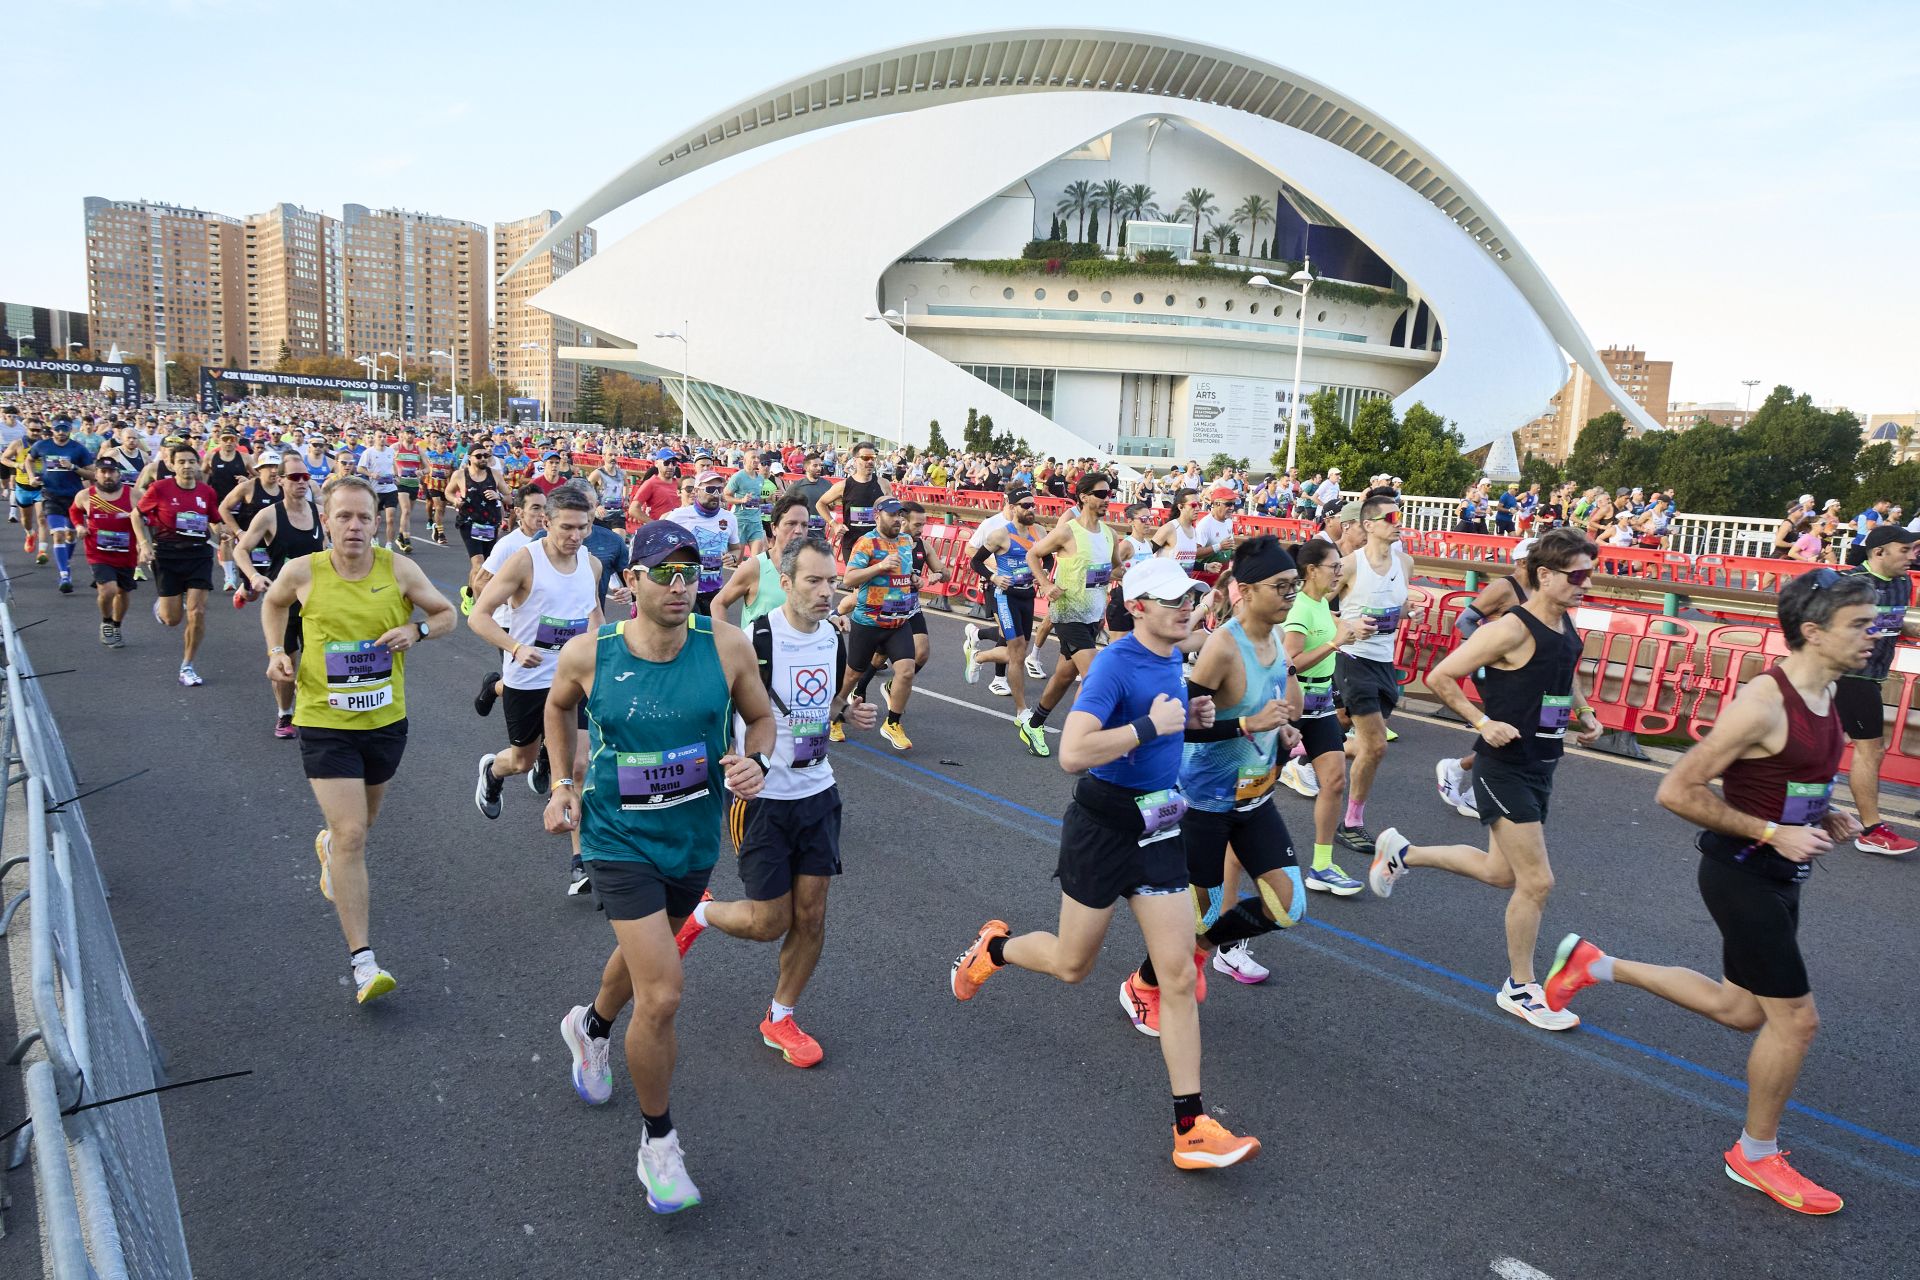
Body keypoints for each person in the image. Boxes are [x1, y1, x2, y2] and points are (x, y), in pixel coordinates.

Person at [1542, 569, 1876, 1216]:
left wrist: (1821, 817)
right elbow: (1676, 791)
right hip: (1741, 876)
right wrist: (1771, 831)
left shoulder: (1826, 690)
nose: (1874, 636)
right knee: (1796, 1021)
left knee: (1741, 1010)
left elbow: (1785, 777)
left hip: (1780, 874)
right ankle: (1755, 1153)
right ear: (1812, 631)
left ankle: (1593, 963)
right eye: (1859, 624)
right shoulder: (1763, 703)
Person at [949, 557, 1262, 1171]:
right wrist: (1152, 725)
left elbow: (1163, 731)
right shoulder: (1116, 664)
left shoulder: (1176, 657)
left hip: (1158, 828)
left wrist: (1195, 727)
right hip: (1102, 827)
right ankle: (994, 949)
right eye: (1171, 600)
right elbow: (1072, 752)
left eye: (1190, 597)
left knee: (1176, 978)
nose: (1185, 607)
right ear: (1138, 606)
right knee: (1072, 964)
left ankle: (1191, 1126)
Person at [543, 520, 776, 1214]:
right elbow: (557, 709)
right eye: (665, 573)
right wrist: (561, 784)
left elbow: (761, 720)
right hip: (617, 836)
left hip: (693, 836)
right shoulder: (591, 654)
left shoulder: (725, 646)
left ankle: (589, 1028)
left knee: (644, 960)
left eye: (691, 572)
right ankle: (659, 1145)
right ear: (631, 583)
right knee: (665, 993)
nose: (681, 586)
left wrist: (754, 759)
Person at [1365, 528, 1604, 1031]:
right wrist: (1481, 722)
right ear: (1545, 575)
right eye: (1578, 575)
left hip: (1543, 761)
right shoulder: (1511, 629)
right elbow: (1440, 677)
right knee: (1537, 882)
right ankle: (1520, 987)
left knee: (1501, 873)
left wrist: (1584, 712)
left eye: (1590, 573)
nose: (1587, 583)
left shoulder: (1566, 624)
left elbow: (1567, 671)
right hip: (1506, 765)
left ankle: (1403, 854)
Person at [672, 534, 877, 1067]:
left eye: (831, 580)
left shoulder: (835, 637)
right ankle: (703, 913)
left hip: (818, 792)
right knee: (769, 922)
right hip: (763, 798)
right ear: (784, 583)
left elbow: (818, 705)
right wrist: (730, 764)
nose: (826, 591)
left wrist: (844, 715)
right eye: (813, 581)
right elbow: (713, 712)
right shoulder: (752, 639)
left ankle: (780, 1018)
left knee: (811, 919)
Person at [259, 474, 455, 1004]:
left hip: (386, 720)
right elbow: (273, 603)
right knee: (352, 836)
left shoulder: (400, 569)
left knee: (360, 826)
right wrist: (276, 651)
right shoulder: (303, 571)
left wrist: (417, 632)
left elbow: (447, 614)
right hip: (324, 721)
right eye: (343, 516)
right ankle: (364, 963)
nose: (353, 526)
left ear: (377, 521)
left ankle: (329, 845)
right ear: (327, 521)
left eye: (363, 517)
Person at [1132, 536, 1304, 996]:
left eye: (1295, 584)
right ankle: (1145, 985)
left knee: (1289, 907)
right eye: (1281, 586)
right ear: (1245, 590)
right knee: (1194, 912)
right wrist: (1249, 724)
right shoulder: (1223, 647)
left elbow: (1263, 711)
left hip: (1255, 798)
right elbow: (1181, 727)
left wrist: (1279, 732)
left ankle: (1199, 951)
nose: (1291, 594)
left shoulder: (1275, 639)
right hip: (1204, 802)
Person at [470, 483, 603, 851]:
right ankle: (492, 771)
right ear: (546, 522)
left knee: (580, 766)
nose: (576, 536)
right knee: (522, 761)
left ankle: (581, 860)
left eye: (583, 527)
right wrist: (514, 646)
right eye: (567, 528)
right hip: (528, 679)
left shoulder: (591, 564)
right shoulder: (525, 561)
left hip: (573, 679)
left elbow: (593, 615)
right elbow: (478, 617)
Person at [1277, 539, 1371, 894]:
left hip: (1321, 707)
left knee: (1333, 781)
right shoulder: (1299, 609)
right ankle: (1229, 846)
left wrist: (1352, 629)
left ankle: (1321, 865)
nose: (1339, 573)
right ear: (1311, 570)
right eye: (1334, 567)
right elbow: (1291, 662)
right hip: (1291, 704)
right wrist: (1335, 643)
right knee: (1256, 789)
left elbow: (1335, 626)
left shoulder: (1319, 605)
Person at [1330, 488, 1411, 852]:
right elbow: (1308, 608)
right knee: (1376, 746)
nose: (1398, 524)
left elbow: (1398, 603)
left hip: (1384, 661)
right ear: (1368, 525)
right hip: (1352, 659)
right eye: (1390, 518)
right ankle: (1351, 823)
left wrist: (1410, 612)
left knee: (1360, 742)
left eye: (1399, 516)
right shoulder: (1349, 566)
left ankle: (1302, 748)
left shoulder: (1404, 563)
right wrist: (1345, 628)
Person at [1434, 539, 1537, 818]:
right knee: (1506, 730)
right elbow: (1465, 620)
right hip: (1493, 667)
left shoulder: (1539, 588)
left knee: (1513, 732)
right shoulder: (1504, 587)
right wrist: (1479, 651)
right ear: (1522, 562)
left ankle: (1458, 770)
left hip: (1522, 668)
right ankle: (1473, 793)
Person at [1021, 474, 1121, 757]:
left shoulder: (1109, 534)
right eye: (1101, 494)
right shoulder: (1067, 531)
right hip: (1068, 613)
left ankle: (1034, 723)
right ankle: (1087, 745)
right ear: (1084, 497)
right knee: (1097, 678)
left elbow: (1115, 569)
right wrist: (1045, 583)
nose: (1107, 499)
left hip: (1093, 616)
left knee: (1065, 675)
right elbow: (1033, 554)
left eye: (1109, 494)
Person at [1836, 526, 1920, 854]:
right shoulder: (1854, 584)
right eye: (1906, 550)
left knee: (1819, 746)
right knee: (1870, 750)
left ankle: (1788, 810)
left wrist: (1909, 628)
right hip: (1847, 675)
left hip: (1871, 676)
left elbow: (1891, 624)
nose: (1913, 556)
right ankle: (1871, 830)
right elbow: (1839, 629)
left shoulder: (1903, 582)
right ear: (1880, 552)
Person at [234, 456, 327, 737]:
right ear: (281, 479)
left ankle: (314, 712)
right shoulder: (270, 515)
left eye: (305, 477)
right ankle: (285, 713)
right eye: (294, 477)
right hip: (283, 601)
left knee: (321, 660)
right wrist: (253, 576)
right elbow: (241, 550)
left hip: (317, 600)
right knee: (286, 664)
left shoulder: (320, 511)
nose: (301, 482)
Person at [834, 498, 917, 750]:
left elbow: (904, 571)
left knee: (906, 671)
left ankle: (892, 723)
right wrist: (879, 566)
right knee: (852, 675)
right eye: (892, 514)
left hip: (898, 620)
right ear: (877, 515)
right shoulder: (867, 542)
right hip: (869, 620)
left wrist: (914, 578)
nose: (897, 519)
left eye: (900, 515)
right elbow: (849, 578)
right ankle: (834, 715)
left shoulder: (905, 541)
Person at [137, 440, 222, 687]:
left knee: (197, 612)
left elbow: (213, 519)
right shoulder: (159, 488)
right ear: (171, 465)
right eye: (181, 462)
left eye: (191, 462)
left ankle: (187, 665)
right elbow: (137, 515)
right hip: (168, 555)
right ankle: (162, 609)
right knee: (172, 619)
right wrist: (143, 544)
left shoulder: (207, 492)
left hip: (199, 555)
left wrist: (223, 532)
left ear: (198, 465)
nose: (187, 466)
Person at [962, 489, 1042, 711]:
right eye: (1025, 506)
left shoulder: (1040, 532)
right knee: (1015, 653)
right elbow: (975, 562)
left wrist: (1040, 576)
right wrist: (994, 577)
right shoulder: (1000, 534)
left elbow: (1046, 558)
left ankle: (978, 656)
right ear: (1013, 507)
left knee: (1018, 652)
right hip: (1006, 597)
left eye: (1033, 505)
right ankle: (1022, 710)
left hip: (1027, 596)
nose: (1031, 509)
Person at [69, 458, 148, 649]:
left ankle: (117, 625)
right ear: (95, 474)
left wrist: (140, 519)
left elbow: (150, 515)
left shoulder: (134, 494)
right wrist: (79, 526)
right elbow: (75, 511)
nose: (107, 475)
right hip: (98, 551)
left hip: (126, 552)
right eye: (103, 472)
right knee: (108, 589)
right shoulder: (86, 495)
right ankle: (106, 621)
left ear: (118, 474)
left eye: (111, 471)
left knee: (122, 592)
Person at [709, 493, 809, 626]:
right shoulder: (755, 567)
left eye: (804, 525)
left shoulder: (812, 568)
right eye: (791, 523)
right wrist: (726, 640)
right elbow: (718, 604)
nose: (798, 530)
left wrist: (833, 618)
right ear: (774, 528)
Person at [29, 416, 95, 593]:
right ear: (52, 429)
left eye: (64, 429)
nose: (61, 432)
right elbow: (29, 459)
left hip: (73, 498)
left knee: (71, 536)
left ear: (70, 430)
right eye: (58, 428)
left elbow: (92, 474)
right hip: (51, 496)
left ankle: (65, 562)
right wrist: (30, 476)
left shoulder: (78, 449)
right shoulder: (42, 445)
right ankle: (64, 575)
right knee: (58, 535)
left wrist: (73, 467)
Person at [667, 470, 742, 617]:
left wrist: (732, 558)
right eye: (709, 489)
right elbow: (661, 549)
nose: (715, 494)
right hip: (685, 589)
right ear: (696, 491)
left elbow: (736, 549)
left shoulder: (729, 518)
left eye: (719, 489)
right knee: (690, 634)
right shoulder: (678, 516)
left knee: (712, 634)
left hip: (714, 590)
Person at [444, 447, 510, 615]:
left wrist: (499, 497)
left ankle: (469, 593)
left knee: (485, 566)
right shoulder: (460, 475)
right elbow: (448, 492)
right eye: (479, 456)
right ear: (470, 458)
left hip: (489, 524)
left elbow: (509, 496)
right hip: (469, 523)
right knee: (478, 563)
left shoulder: (494, 474)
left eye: (486, 456)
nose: (483, 458)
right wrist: (455, 500)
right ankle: (480, 607)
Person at [814, 443, 889, 564]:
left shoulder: (883, 484)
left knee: (876, 582)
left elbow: (891, 510)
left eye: (873, 458)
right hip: (853, 543)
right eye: (865, 458)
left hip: (878, 543)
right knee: (856, 581)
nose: (870, 461)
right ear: (855, 460)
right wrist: (834, 524)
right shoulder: (844, 485)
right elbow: (820, 503)